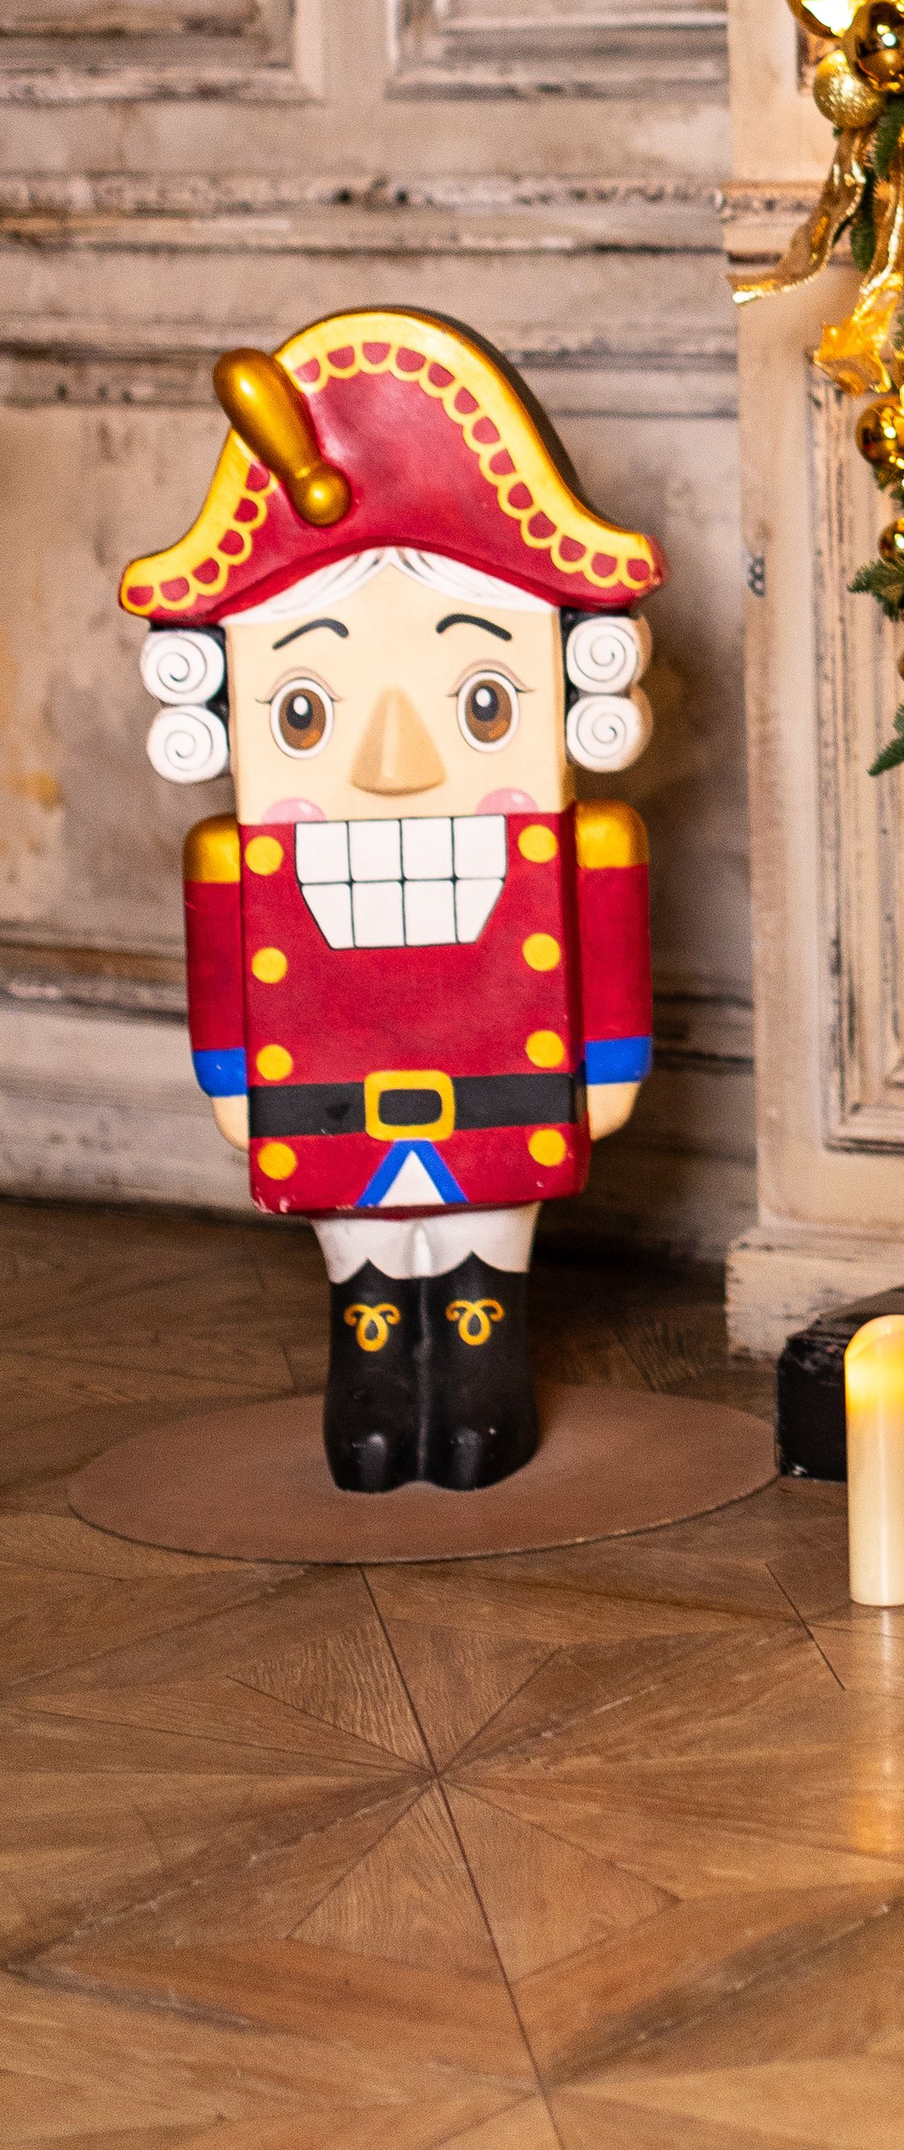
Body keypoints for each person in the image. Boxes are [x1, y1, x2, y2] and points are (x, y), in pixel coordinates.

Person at [120, 312, 664, 1493]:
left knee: (482, 1252)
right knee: (362, 1258)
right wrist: (234, 1086)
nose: (392, 763)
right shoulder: (236, 861)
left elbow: (609, 981)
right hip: (328, 1094)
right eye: (303, 710)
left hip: (502, 1086)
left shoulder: (588, 843)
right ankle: (367, 1366)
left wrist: (607, 1072)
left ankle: (483, 1365)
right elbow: (226, 997)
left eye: (481, 703)